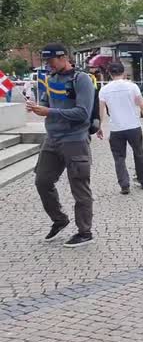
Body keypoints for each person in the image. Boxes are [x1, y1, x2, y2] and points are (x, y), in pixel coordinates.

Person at [27, 43, 96, 248]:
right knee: (42, 181)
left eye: (52, 61)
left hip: (75, 139)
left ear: (64, 57)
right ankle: (59, 219)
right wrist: (38, 108)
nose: (49, 65)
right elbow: (48, 104)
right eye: (46, 62)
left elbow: (83, 113)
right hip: (52, 139)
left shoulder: (81, 79)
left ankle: (85, 232)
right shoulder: (51, 79)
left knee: (79, 187)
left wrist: (50, 112)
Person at [97, 62, 143, 195]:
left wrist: (100, 126)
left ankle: (124, 184)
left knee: (119, 157)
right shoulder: (132, 87)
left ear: (109, 73)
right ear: (123, 73)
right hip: (133, 126)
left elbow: (101, 111)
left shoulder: (104, 90)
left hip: (116, 128)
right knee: (139, 153)